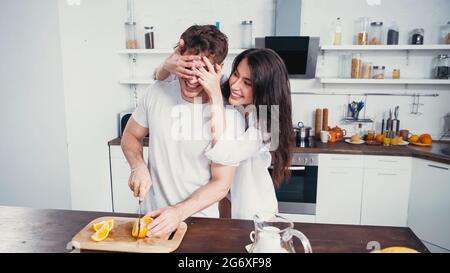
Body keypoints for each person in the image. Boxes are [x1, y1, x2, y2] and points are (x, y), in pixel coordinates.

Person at [121, 25, 243, 238]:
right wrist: (137, 166)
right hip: (151, 220)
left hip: (200, 224)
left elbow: (221, 184)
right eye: (188, 68)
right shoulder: (157, 92)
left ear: (218, 68)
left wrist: (178, 212)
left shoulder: (229, 114)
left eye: (202, 71)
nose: (193, 79)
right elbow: (131, 136)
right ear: (178, 57)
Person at [155, 47, 294, 220]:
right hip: (225, 203)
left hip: (256, 210)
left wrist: (215, 95)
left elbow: (224, 153)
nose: (235, 85)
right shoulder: (229, 90)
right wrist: (168, 64)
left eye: (248, 83)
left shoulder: (266, 124)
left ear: (265, 88)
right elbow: (159, 78)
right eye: (236, 74)